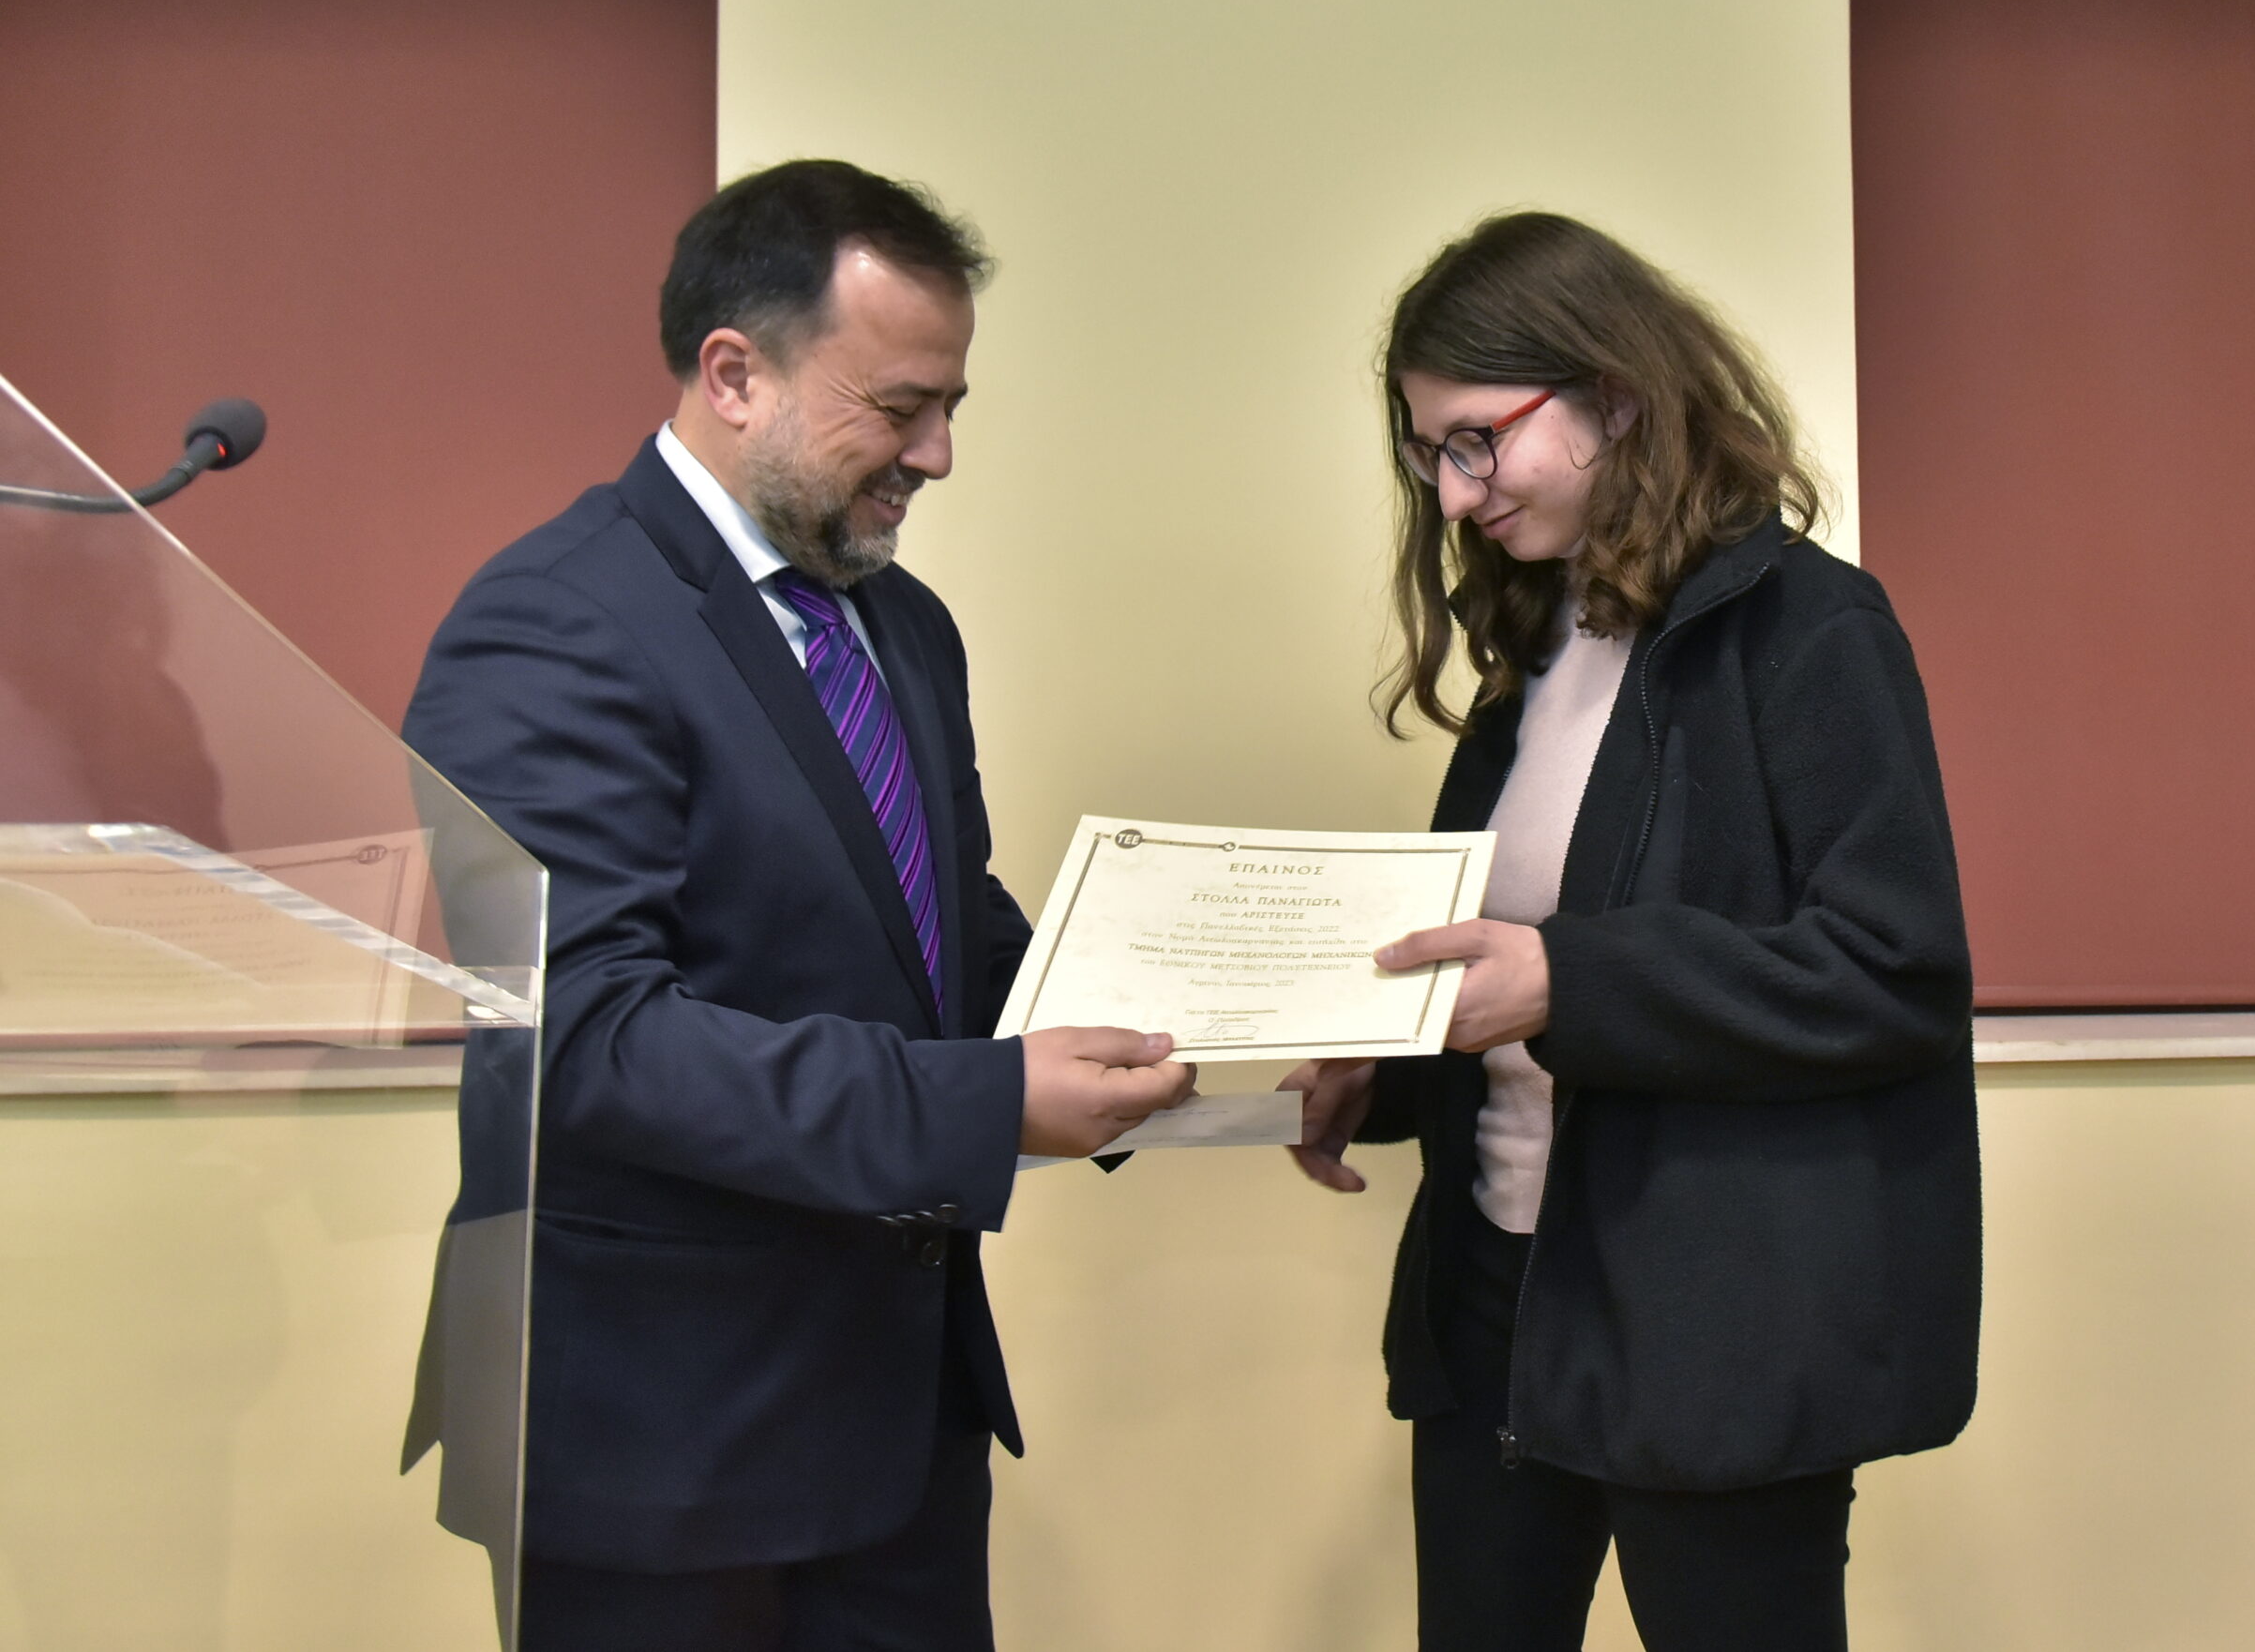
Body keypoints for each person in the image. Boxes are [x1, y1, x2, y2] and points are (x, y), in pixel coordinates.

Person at [403, 158, 1191, 1652]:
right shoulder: (552, 624)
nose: (939, 453)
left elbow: (936, 924)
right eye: (901, 407)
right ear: (734, 375)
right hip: (662, 1448)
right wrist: (991, 1102)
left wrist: (1218, 1028)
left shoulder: (905, 623)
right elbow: (592, 1038)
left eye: (953, 405)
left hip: (897, 1433)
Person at [1283, 212, 1979, 1651]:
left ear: (1612, 394)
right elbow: (1509, 967)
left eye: (1476, 441)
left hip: (1713, 1326)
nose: (1453, 493)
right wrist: (1392, 1065)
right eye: (1426, 455)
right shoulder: (1536, 650)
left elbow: (1891, 972)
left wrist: (1563, 979)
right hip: (1495, 1293)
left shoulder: (1812, 629)